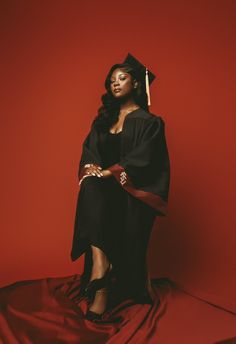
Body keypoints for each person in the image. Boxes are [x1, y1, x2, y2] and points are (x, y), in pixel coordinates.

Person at [70, 53, 171, 323]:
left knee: (96, 186)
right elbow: (89, 151)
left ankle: (100, 281)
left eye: (122, 78)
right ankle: (101, 272)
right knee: (89, 184)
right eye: (111, 80)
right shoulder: (101, 122)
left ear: (137, 84)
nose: (115, 84)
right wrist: (93, 169)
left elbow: (147, 160)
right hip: (101, 191)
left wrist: (112, 172)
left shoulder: (150, 123)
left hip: (132, 193)